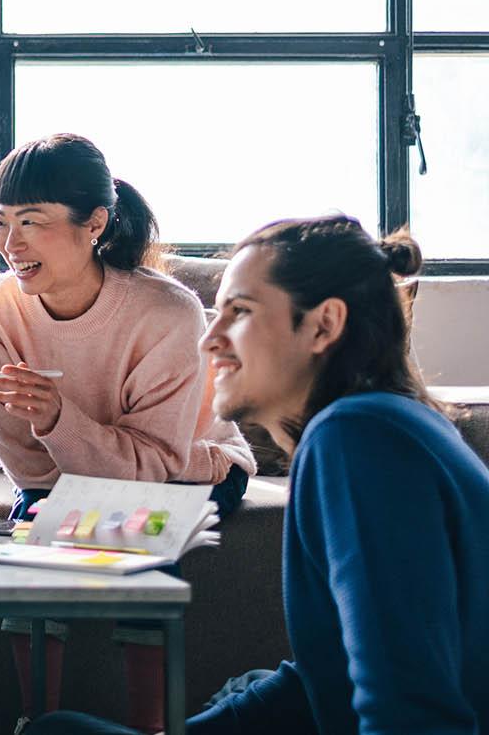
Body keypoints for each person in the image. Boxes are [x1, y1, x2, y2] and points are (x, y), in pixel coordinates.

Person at [29, 215, 489, 734]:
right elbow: (326, 675)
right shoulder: (387, 422)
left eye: (239, 313)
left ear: (323, 325)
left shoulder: (357, 438)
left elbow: (411, 712)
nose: (209, 342)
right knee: (243, 689)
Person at [0, 134, 255, 732]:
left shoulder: (167, 312)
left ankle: (148, 728)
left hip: (183, 471)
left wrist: (57, 419)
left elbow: (150, 466)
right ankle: (35, 722)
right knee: (34, 546)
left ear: (94, 222)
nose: (10, 244)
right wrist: (57, 451)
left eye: (32, 223)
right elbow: (28, 466)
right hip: (106, 473)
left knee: (140, 529)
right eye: (1, 222)